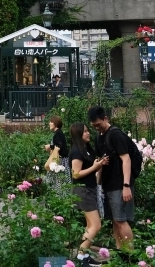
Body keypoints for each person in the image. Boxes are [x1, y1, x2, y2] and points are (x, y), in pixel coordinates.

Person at [88, 105, 135, 254]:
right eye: (93, 126)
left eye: (98, 124)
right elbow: (101, 161)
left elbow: (126, 159)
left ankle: (130, 254)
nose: (96, 128)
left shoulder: (115, 134)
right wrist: (98, 184)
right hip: (108, 184)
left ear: (105, 118)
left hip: (120, 184)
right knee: (115, 220)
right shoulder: (98, 137)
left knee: (121, 220)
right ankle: (119, 251)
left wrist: (126, 185)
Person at [69, 122, 109, 266]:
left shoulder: (86, 149)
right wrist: (95, 166)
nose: (88, 133)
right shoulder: (76, 151)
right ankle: (80, 256)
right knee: (96, 225)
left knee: (89, 225)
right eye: (85, 131)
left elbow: (92, 167)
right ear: (78, 134)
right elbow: (76, 173)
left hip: (90, 189)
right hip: (83, 190)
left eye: (87, 131)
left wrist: (99, 164)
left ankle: (84, 256)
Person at [43, 115, 69, 192]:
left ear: (56, 123)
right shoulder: (58, 133)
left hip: (60, 161)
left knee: (58, 181)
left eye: (51, 122)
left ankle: (59, 196)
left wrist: (49, 146)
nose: (49, 123)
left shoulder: (58, 133)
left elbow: (59, 147)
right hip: (61, 160)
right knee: (60, 181)